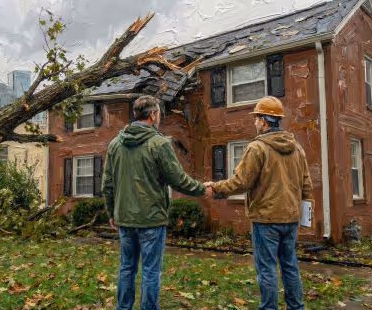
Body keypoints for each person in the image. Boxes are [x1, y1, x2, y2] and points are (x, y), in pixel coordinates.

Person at [102, 95, 212, 310]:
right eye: (159, 113)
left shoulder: (115, 144)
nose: (159, 117)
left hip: (124, 218)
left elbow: (107, 183)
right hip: (151, 220)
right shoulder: (159, 143)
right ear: (153, 115)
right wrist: (202, 189)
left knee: (127, 267)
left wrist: (111, 212)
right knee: (151, 270)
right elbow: (178, 179)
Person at [205, 96, 313, 310]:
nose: (254, 122)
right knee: (290, 266)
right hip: (290, 219)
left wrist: (215, 187)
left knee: (267, 269)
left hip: (265, 220)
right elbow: (306, 185)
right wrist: (304, 214)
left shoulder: (257, 148)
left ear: (264, 121)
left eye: (256, 118)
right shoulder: (297, 148)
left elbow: (241, 182)